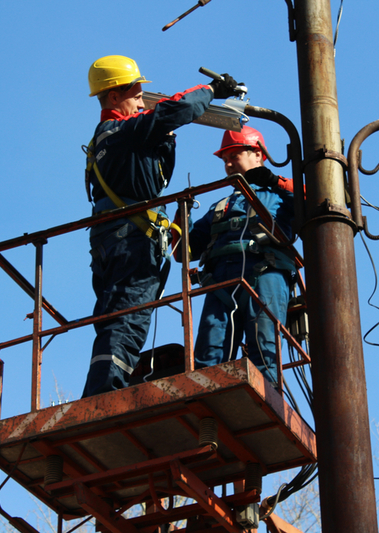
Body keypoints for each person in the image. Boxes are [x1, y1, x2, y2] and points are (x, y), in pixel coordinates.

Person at [83, 55, 242, 398]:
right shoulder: (125, 131)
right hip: (129, 241)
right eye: (136, 92)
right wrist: (213, 90)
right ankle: (106, 392)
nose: (142, 99)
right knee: (127, 317)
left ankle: (105, 386)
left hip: (112, 240)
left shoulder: (106, 139)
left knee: (115, 317)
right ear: (114, 96)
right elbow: (174, 110)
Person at [181, 126, 297, 386]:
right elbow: (184, 253)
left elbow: (317, 198)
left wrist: (274, 181)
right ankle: (208, 408)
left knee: (264, 346)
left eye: (234, 155)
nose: (229, 164)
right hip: (220, 282)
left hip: (265, 273)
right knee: (209, 353)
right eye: (225, 159)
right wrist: (182, 218)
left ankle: (268, 400)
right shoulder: (220, 206)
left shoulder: (277, 194)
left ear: (258, 154)